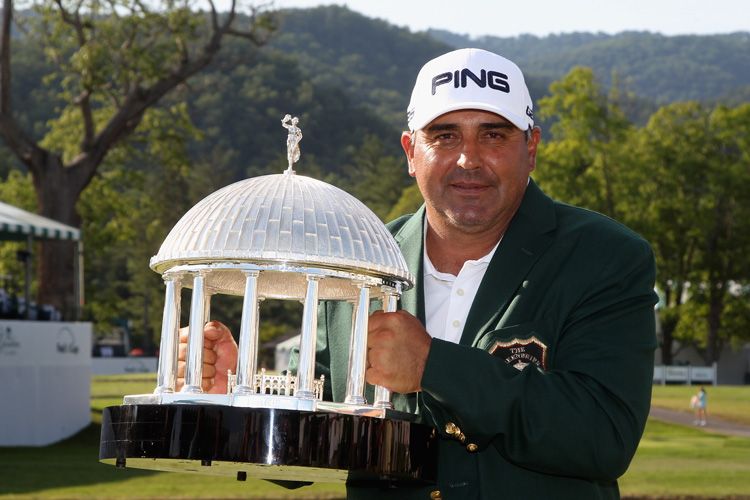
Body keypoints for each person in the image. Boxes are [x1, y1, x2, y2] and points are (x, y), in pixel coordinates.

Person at [178, 48, 658, 499]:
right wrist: (236, 399)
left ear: (530, 148)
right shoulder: (354, 260)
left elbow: (604, 437)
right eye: (444, 135)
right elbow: (311, 435)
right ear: (411, 151)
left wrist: (433, 366)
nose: (469, 159)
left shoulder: (604, 257)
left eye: (493, 135)